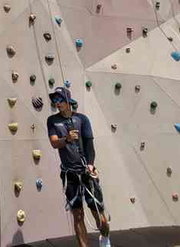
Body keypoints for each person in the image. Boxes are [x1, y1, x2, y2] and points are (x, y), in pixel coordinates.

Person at [47, 87, 111, 247]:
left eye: (60, 99)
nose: (57, 102)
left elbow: (90, 145)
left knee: (99, 215)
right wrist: (67, 139)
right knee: (78, 215)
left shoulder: (82, 119)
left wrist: (90, 165)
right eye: (54, 100)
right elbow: (54, 142)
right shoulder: (52, 120)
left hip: (86, 172)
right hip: (70, 175)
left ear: (68, 100)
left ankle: (105, 238)